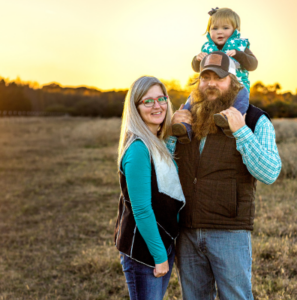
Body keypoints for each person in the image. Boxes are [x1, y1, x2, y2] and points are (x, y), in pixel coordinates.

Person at [170, 52, 282, 300]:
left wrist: (241, 131)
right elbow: (165, 168)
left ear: (234, 81)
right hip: (186, 231)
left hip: (229, 232)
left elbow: (270, 173)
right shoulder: (186, 119)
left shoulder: (254, 120)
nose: (211, 83)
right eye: (205, 77)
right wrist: (169, 134)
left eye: (219, 78)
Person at [114, 76, 185, 300]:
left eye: (161, 99)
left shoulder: (157, 142)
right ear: (135, 108)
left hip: (161, 245)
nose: (157, 106)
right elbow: (142, 209)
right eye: (148, 101)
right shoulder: (138, 149)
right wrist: (159, 256)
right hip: (144, 253)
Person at [173, 7, 258, 142]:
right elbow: (197, 69)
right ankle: (183, 127)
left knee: (242, 99)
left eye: (225, 28)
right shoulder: (207, 48)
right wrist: (197, 59)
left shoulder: (240, 46)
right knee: (192, 98)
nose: (219, 32)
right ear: (209, 31)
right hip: (212, 87)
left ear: (235, 30)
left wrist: (239, 54)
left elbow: (253, 65)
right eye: (214, 28)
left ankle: (229, 122)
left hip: (238, 85)